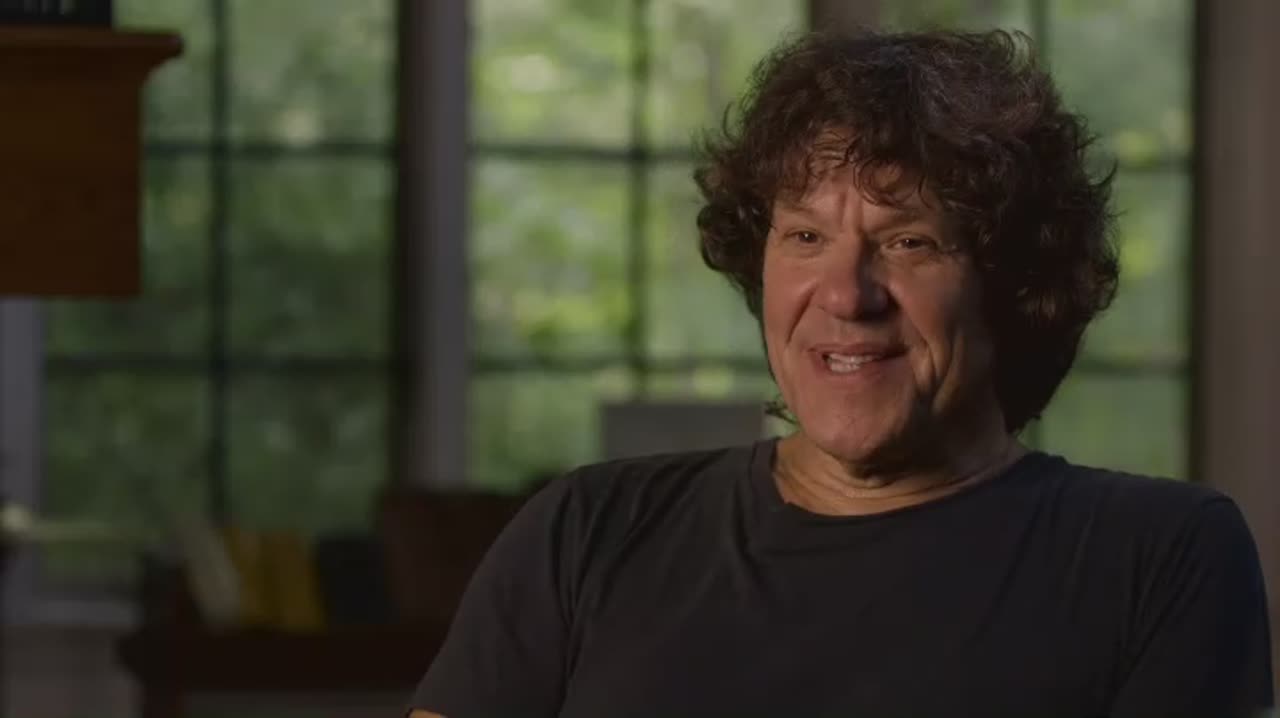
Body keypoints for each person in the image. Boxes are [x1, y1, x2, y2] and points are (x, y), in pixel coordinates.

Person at [408, 28, 1273, 717]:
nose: (845, 294)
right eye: (805, 236)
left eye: (909, 241)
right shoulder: (586, 532)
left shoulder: (1159, 557)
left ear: (1012, 285)